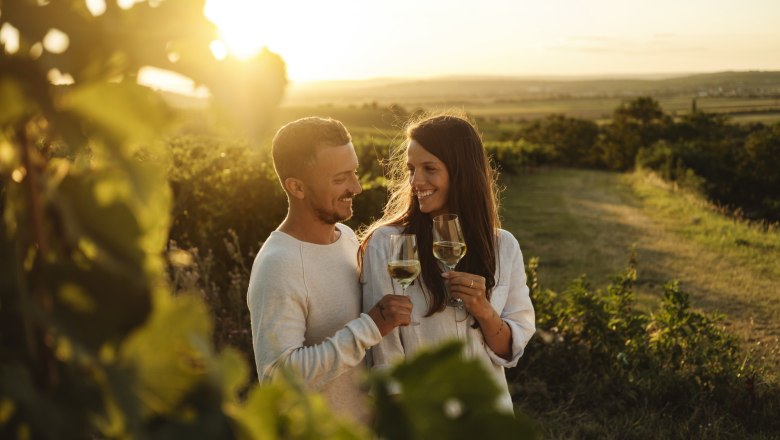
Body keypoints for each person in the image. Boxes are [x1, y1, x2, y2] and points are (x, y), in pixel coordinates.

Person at [359, 113, 536, 413]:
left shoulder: (503, 246)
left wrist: (483, 309)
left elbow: (509, 349)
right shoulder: (387, 244)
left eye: (430, 168)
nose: (416, 181)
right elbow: (385, 358)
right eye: (411, 169)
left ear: (462, 173)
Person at [247, 117, 413, 423]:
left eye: (354, 172)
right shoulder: (279, 265)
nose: (357, 187)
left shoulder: (347, 238)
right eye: (340, 179)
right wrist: (369, 329)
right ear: (296, 187)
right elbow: (277, 381)